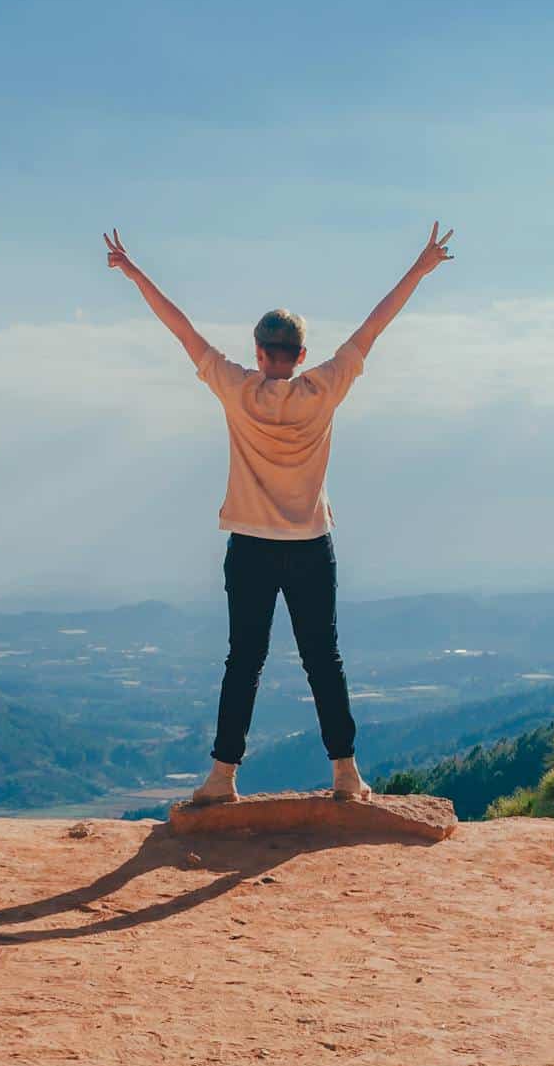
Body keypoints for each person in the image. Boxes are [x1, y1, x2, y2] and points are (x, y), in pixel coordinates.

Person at [104, 223, 455, 804]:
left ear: (259, 354)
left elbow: (182, 330)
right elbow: (375, 326)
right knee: (324, 658)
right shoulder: (325, 388)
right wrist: (420, 267)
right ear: (301, 356)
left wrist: (135, 272)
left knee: (244, 660)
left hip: (250, 545)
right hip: (312, 544)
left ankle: (222, 777)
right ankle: (346, 775)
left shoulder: (236, 389)